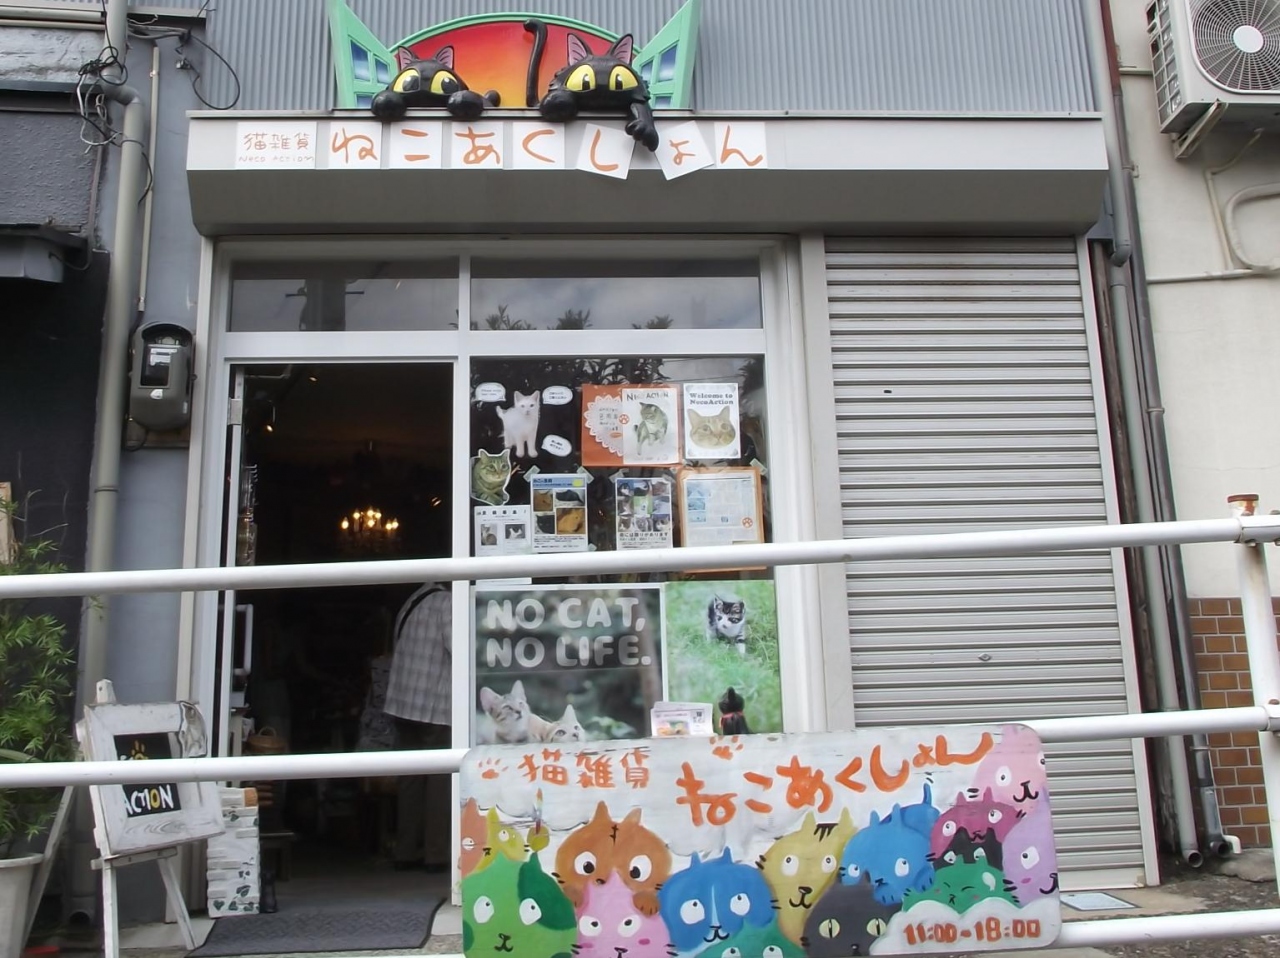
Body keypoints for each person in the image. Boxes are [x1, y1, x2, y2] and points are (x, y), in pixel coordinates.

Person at [383, 581, 453, 872]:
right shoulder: (447, 602)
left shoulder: (414, 599)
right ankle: (436, 854)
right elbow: (459, 649)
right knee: (440, 780)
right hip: (435, 706)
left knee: (410, 780)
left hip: (403, 703)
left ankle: (405, 850)